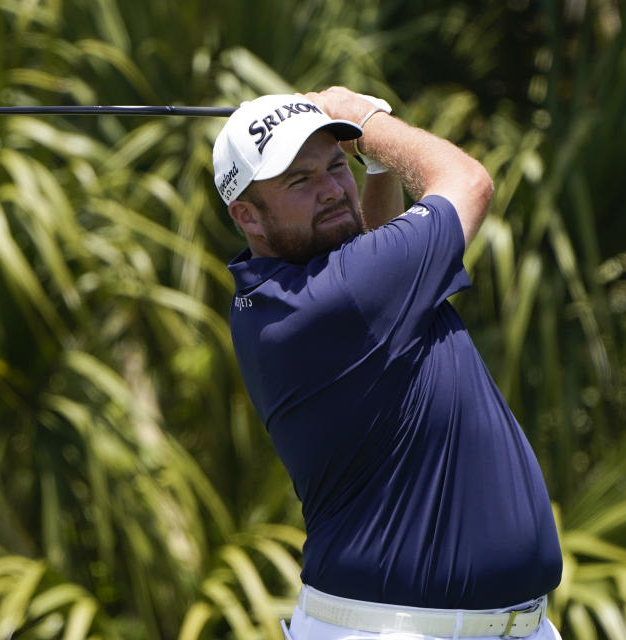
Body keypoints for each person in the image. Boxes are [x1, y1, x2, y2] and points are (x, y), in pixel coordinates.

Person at [211, 88, 563, 639]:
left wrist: (375, 166)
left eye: (336, 165)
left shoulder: (287, 294)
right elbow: (469, 181)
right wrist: (366, 121)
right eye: (299, 181)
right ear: (246, 215)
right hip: (393, 629)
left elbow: (374, 249)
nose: (330, 189)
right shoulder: (337, 297)